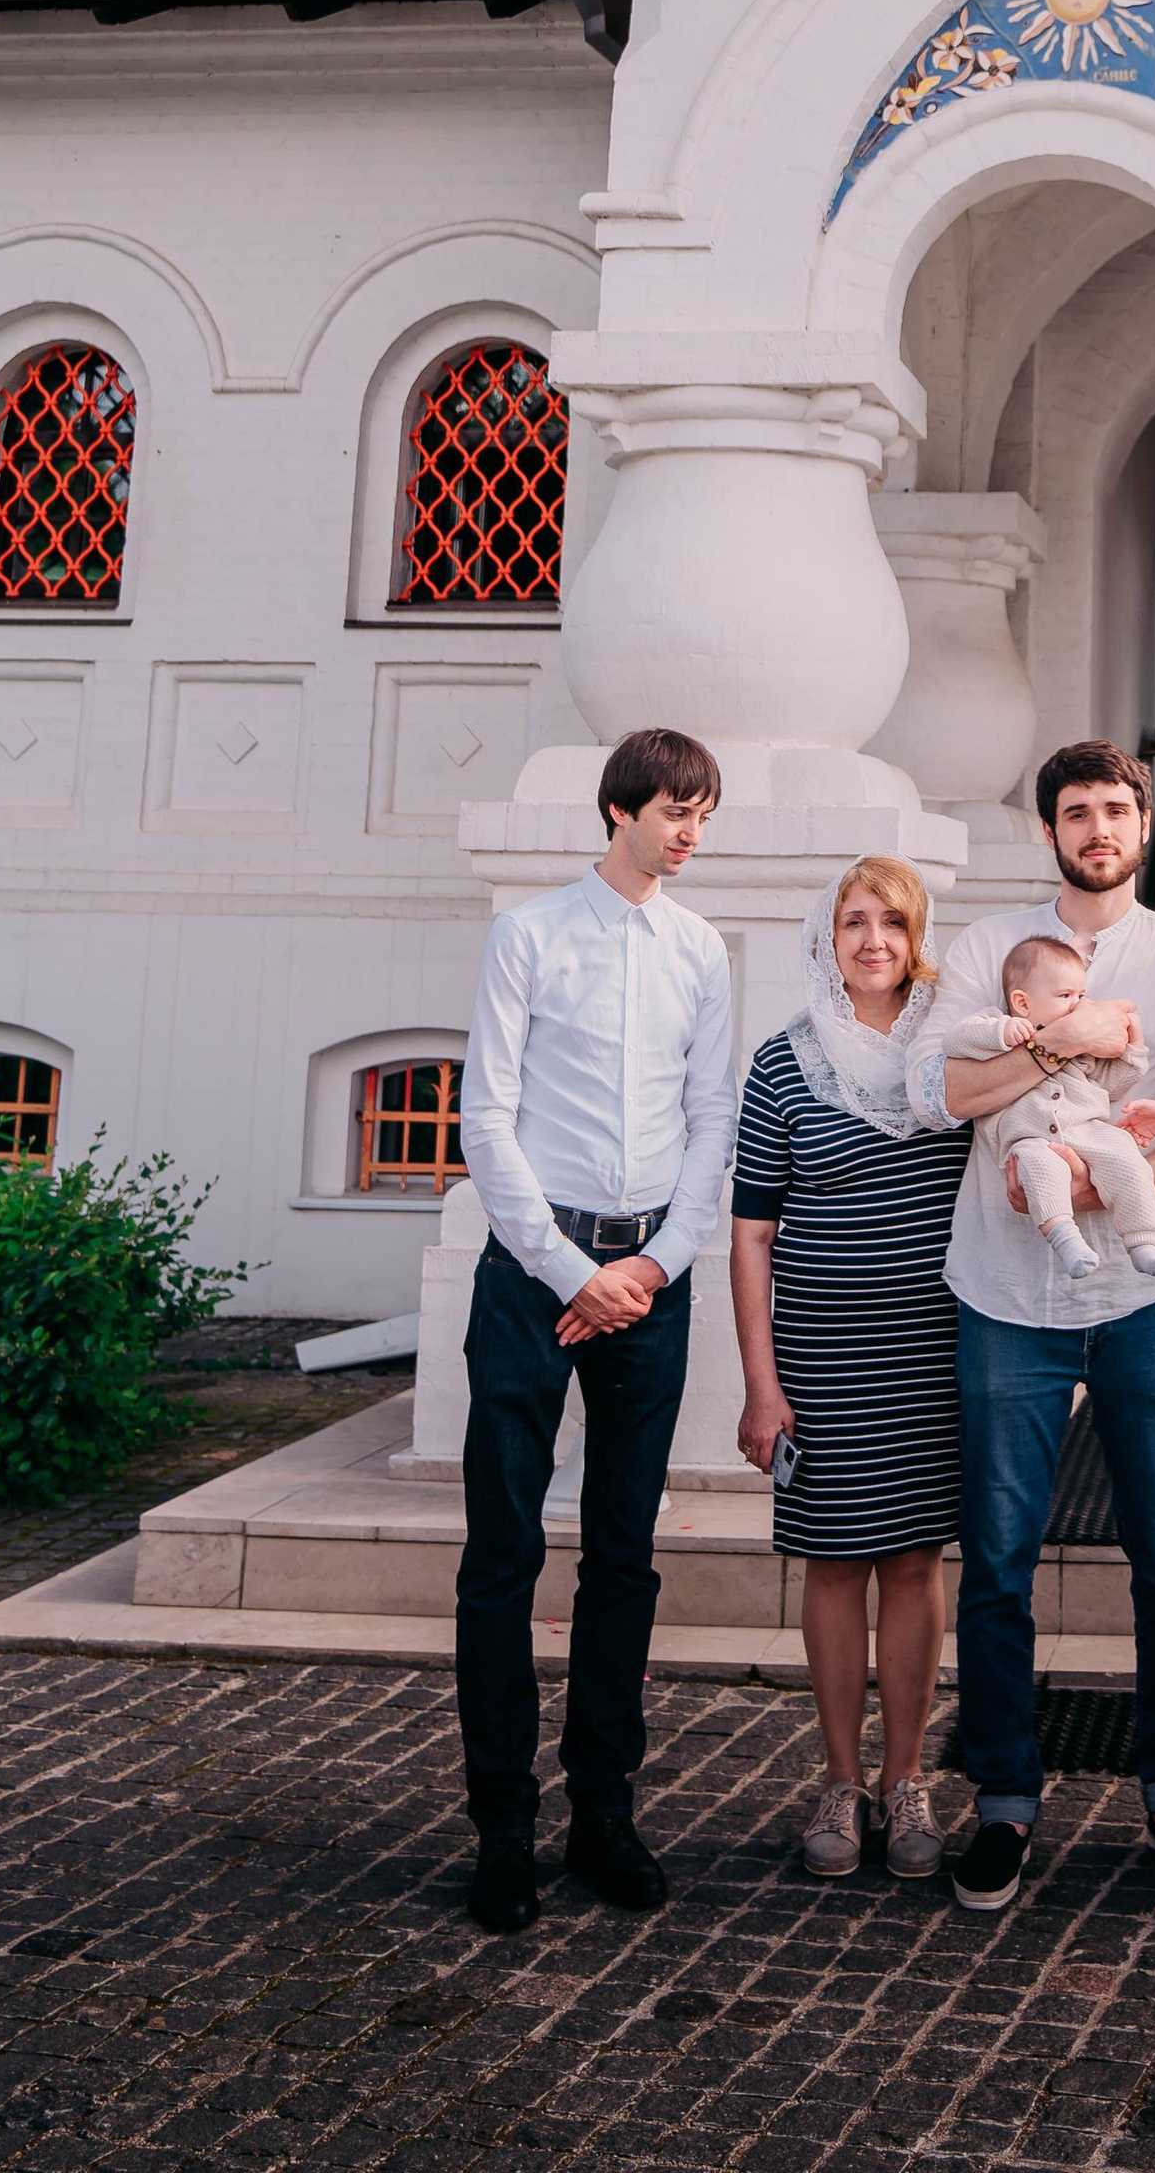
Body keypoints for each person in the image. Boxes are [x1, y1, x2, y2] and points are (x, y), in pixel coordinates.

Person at [912, 738, 1155, 1915]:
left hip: (1148, 1295)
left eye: (1115, 809)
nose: (1096, 827)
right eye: (1075, 810)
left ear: (1144, 826)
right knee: (998, 1557)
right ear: (1047, 828)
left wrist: (1111, 1186)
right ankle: (1003, 1801)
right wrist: (1063, 1041)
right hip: (1006, 1291)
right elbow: (947, 1093)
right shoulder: (980, 950)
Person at [453, 726, 735, 1936]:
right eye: (675, 808)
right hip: (531, 1273)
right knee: (501, 1555)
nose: (688, 831)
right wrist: (574, 1269)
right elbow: (485, 1121)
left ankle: (602, 1815)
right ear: (620, 808)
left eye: (702, 814)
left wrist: (654, 1268)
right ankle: (502, 1830)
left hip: (651, 1279)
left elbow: (712, 1117)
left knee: (623, 1554)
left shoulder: (702, 949)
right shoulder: (528, 934)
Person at [729, 855, 969, 1885]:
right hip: (822, 1356)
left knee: (913, 1563)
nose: (872, 941)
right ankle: (839, 1778)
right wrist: (760, 1382)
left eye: (891, 923)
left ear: (918, 938)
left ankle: (907, 1777)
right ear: (824, 941)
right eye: (852, 923)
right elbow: (748, 1239)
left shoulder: (957, 1052)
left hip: (934, 1351)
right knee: (834, 1563)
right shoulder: (783, 1065)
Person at [948, 929, 1155, 1278]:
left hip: (1087, 1129)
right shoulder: (995, 1023)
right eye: (1066, 995)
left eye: (1082, 994)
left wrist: (1135, 1049)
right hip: (1029, 1136)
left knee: (1127, 1160)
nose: (1079, 1006)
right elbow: (956, 1040)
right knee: (1040, 1168)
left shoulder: (1085, 1047)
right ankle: (1064, 1237)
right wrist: (1000, 1032)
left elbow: (1110, 1087)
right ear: (1023, 1002)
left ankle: (1143, 1240)